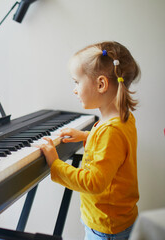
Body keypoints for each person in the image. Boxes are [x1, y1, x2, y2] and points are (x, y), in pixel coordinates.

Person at [38, 41, 140, 240]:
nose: (75, 90)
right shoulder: (122, 118)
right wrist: (87, 136)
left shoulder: (110, 131)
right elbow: (115, 152)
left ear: (101, 84)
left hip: (106, 229)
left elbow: (94, 182)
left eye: (77, 81)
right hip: (116, 223)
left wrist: (55, 164)